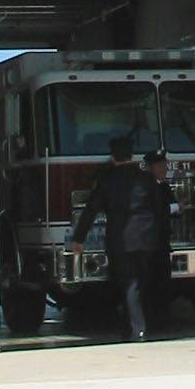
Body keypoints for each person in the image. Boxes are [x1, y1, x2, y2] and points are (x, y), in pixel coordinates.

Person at [71, 137, 165, 341]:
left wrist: (79, 238)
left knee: (129, 283)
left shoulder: (108, 180)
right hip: (147, 237)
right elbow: (159, 208)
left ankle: (137, 328)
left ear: (113, 157)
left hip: (121, 238)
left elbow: (91, 209)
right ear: (132, 155)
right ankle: (143, 323)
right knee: (143, 282)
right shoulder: (147, 178)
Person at [142, 148, 175, 329]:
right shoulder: (146, 187)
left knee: (163, 283)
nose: (163, 168)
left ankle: (162, 318)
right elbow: (157, 211)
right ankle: (151, 319)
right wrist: (177, 208)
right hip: (149, 243)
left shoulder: (163, 185)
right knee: (150, 283)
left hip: (162, 242)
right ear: (149, 167)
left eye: (165, 164)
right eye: (159, 165)